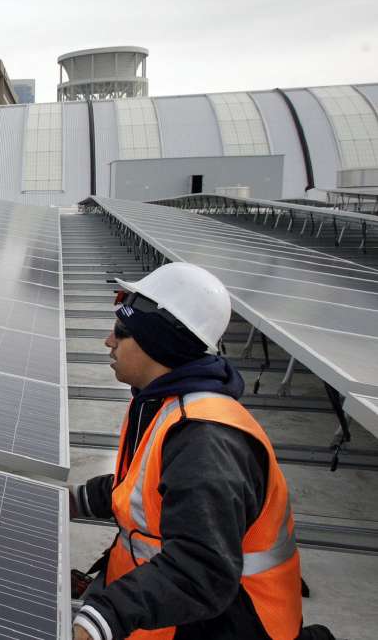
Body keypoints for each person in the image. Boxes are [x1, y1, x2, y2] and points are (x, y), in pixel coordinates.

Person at [70, 262, 309, 640]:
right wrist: (73, 501)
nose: (108, 341)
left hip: (223, 624)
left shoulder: (206, 439)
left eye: (121, 331)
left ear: (157, 342)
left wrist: (102, 617)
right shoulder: (163, 403)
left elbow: (202, 571)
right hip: (158, 602)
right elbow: (139, 489)